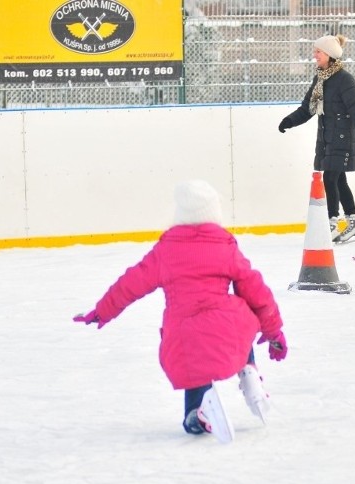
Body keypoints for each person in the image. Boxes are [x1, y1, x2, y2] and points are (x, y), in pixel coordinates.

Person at [73, 180, 287, 443]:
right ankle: (249, 371)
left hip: (184, 333)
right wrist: (273, 331)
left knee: (194, 361)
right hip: (227, 325)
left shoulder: (166, 250)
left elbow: (130, 283)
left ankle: (197, 413)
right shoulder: (225, 246)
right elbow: (256, 290)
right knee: (242, 319)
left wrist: (102, 311)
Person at [278, 34, 355, 243]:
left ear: (330, 55)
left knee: (331, 178)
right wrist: (289, 121)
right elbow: (308, 109)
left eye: (318, 51)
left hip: (344, 137)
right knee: (339, 179)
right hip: (328, 137)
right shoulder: (320, 79)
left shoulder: (345, 80)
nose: (314, 55)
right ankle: (354, 222)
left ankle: (332, 222)